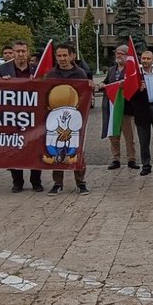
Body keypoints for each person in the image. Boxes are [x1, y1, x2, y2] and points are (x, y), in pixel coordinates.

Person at [0, 40, 43, 192]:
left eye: (23, 51)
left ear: (28, 52)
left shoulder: (37, 70)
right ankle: (17, 181)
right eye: (17, 51)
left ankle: (36, 181)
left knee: (35, 148)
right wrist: (1, 83)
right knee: (14, 148)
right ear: (12, 53)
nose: (20, 54)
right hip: (11, 116)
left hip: (33, 116)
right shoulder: (1, 70)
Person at [44, 44, 90, 195]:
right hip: (56, 121)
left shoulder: (80, 73)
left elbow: (84, 97)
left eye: (65, 55)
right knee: (56, 151)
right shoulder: (51, 75)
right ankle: (58, 183)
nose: (62, 59)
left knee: (76, 150)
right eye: (59, 56)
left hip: (75, 120)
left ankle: (81, 182)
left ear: (72, 56)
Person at [102, 44, 138, 171]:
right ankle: (115, 159)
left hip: (127, 108)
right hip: (113, 107)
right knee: (113, 135)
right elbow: (107, 82)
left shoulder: (131, 69)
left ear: (127, 56)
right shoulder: (111, 70)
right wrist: (102, 84)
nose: (118, 55)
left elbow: (135, 86)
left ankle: (131, 159)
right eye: (117, 53)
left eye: (121, 53)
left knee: (129, 137)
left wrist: (126, 85)